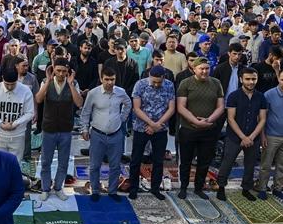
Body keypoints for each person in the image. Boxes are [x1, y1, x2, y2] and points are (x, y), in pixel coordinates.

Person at [176, 57, 225, 198]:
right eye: (201, 69)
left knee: (204, 162)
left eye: (207, 68)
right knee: (186, 161)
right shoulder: (185, 83)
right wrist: (196, 122)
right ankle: (183, 187)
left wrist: (208, 120)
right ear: (194, 69)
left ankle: (199, 188)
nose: (204, 71)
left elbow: (221, 106)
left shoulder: (216, 83)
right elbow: (181, 107)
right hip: (188, 129)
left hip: (209, 129)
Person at [80, 68, 132, 201]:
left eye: (112, 80)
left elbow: (128, 103)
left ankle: (113, 191)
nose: (109, 82)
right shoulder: (93, 93)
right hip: (97, 134)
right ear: (101, 79)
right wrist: (84, 129)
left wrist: (122, 118)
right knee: (95, 165)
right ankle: (95, 190)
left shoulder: (120, 92)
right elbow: (85, 111)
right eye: (107, 79)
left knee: (115, 165)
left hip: (115, 134)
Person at [36, 58, 82, 200]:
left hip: (65, 129)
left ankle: (58, 187)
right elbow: (38, 99)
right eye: (58, 70)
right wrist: (49, 80)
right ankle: (45, 188)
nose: (61, 74)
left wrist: (70, 84)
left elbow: (79, 103)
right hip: (49, 128)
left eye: (64, 71)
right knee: (45, 162)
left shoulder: (73, 83)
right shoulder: (46, 82)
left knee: (63, 162)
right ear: (53, 70)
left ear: (68, 71)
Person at [219, 67, 267, 201]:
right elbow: (230, 118)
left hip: (253, 137)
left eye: (253, 79)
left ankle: (246, 189)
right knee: (227, 162)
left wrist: (251, 137)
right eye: (248, 79)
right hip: (234, 136)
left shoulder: (261, 97)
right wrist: (243, 137)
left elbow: (262, 119)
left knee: (250, 164)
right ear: (241, 79)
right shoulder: (234, 96)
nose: (251, 82)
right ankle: (221, 187)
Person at [129, 65, 176, 200]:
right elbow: (137, 108)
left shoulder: (169, 85)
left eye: (158, 82)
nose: (156, 84)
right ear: (149, 76)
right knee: (136, 159)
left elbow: (171, 108)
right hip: (141, 127)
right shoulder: (140, 85)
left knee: (158, 160)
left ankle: (155, 188)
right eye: (153, 81)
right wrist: (151, 124)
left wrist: (157, 125)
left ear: (163, 78)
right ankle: (133, 187)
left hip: (160, 128)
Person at [0, 66, 35, 160]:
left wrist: (15, 123)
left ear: (17, 79)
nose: (10, 87)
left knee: (15, 164)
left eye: (13, 84)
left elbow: (30, 113)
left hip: (18, 135)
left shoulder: (25, 91)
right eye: (7, 84)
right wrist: (0, 123)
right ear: (2, 78)